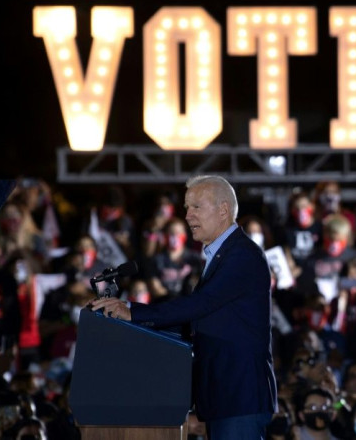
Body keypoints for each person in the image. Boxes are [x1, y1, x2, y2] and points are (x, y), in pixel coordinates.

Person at [91, 175, 278, 439]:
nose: (188, 216)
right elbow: (200, 320)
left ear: (223, 210)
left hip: (239, 395)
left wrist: (134, 312)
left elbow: (201, 305)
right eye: (187, 208)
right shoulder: (222, 255)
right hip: (225, 396)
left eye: (196, 207)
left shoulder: (242, 255)